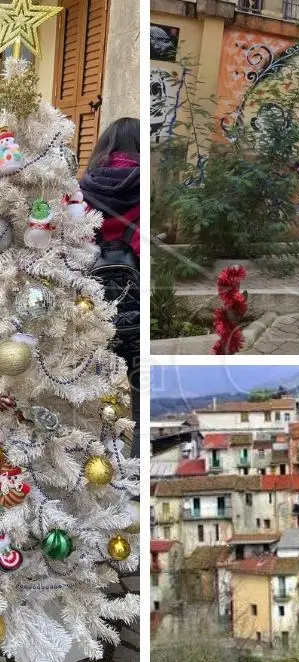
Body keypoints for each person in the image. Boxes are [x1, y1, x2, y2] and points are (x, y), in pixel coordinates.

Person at [80, 117, 141, 456]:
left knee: (93, 381)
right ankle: (136, 464)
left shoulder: (85, 188)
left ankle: (96, 456)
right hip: (135, 301)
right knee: (138, 383)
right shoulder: (143, 189)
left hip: (91, 302)